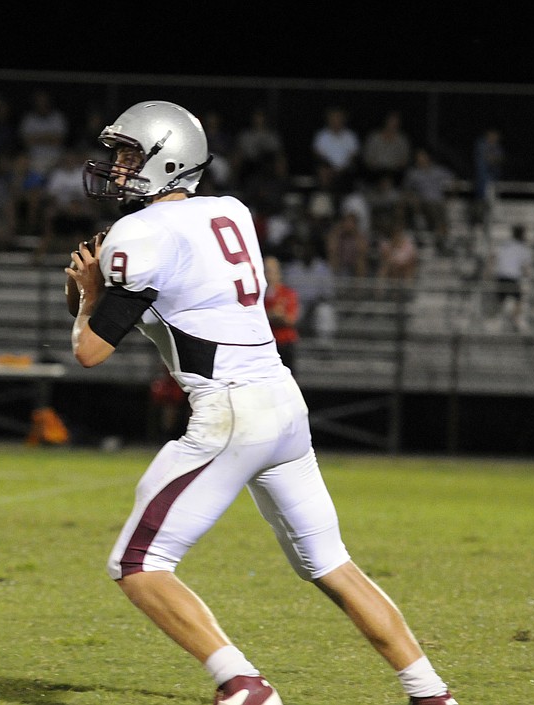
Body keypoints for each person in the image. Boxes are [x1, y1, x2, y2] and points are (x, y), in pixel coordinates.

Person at [66, 100, 458, 705]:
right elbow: (160, 307)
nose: (116, 167)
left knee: (139, 563)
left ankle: (243, 684)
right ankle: (431, 693)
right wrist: (96, 298)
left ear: (166, 160)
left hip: (228, 411)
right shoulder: (231, 211)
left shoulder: (137, 233)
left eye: (128, 155)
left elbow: (91, 349)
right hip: (282, 402)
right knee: (333, 565)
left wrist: (90, 295)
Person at [402, 148, 455, 253]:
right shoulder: (413, 173)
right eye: (419, 158)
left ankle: (442, 238)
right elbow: (406, 190)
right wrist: (413, 198)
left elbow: (453, 180)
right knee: (432, 207)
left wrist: (451, 196)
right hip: (423, 202)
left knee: (439, 209)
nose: (421, 160)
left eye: (423, 157)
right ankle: (439, 238)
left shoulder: (438, 170)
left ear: (428, 158)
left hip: (439, 201)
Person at [488, 223, 532, 332]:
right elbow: (526, 268)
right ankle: (515, 320)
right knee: (519, 300)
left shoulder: (505, 244)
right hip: (513, 277)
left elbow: (493, 256)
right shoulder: (523, 248)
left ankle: (495, 321)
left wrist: (489, 270)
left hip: (501, 276)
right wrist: (526, 274)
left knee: (500, 300)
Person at [263, 255, 300, 373]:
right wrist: (273, 315)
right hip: (266, 345)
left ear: (278, 273)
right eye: (265, 271)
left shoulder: (288, 294)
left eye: (270, 271)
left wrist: (271, 317)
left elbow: (291, 319)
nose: (268, 275)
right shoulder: (259, 296)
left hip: (285, 344)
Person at [362, 110, 411, 185]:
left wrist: (396, 167)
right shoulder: (374, 137)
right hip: (376, 172)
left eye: (396, 121)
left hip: (395, 172)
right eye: (391, 121)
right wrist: (375, 166)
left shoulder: (402, 139)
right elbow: (367, 156)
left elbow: (405, 158)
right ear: (386, 121)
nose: (393, 124)